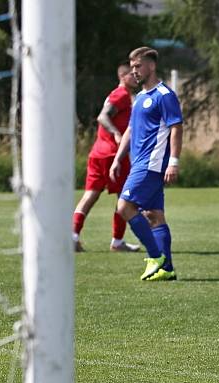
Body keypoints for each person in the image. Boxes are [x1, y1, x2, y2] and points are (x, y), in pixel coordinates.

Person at [110, 47, 183, 281]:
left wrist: (173, 161)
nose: (134, 71)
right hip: (138, 163)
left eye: (138, 66)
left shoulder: (165, 95)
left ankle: (156, 256)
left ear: (151, 66)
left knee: (124, 207)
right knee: (154, 215)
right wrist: (117, 158)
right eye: (132, 67)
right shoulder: (140, 97)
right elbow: (130, 129)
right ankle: (167, 269)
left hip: (151, 165)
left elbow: (176, 127)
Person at [72, 61, 141, 253]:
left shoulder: (118, 95)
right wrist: (116, 134)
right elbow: (103, 116)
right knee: (124, 198)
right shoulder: (121, 95)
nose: (136, 77)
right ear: (122, 76)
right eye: (132, 75)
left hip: (98, 152)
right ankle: (117, 242)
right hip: (112, 153)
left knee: (90, 196)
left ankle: (73, 236)